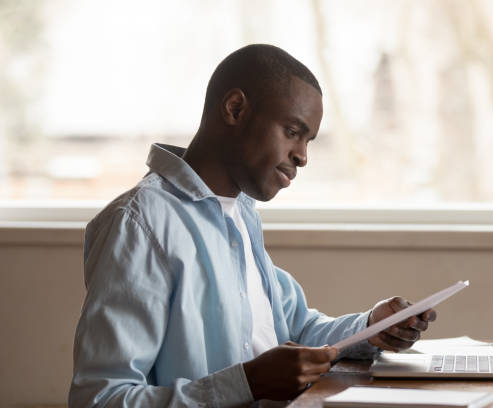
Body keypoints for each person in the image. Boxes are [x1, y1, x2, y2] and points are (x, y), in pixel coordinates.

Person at [69, 44, 437, 407]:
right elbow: (100, 399)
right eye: (293, 131)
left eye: (308, 140)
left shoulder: (240, 215)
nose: (303, 156)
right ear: (235, 109)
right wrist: (247, 383)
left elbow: (298, 330)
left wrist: (373, 327)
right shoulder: (141, 224)